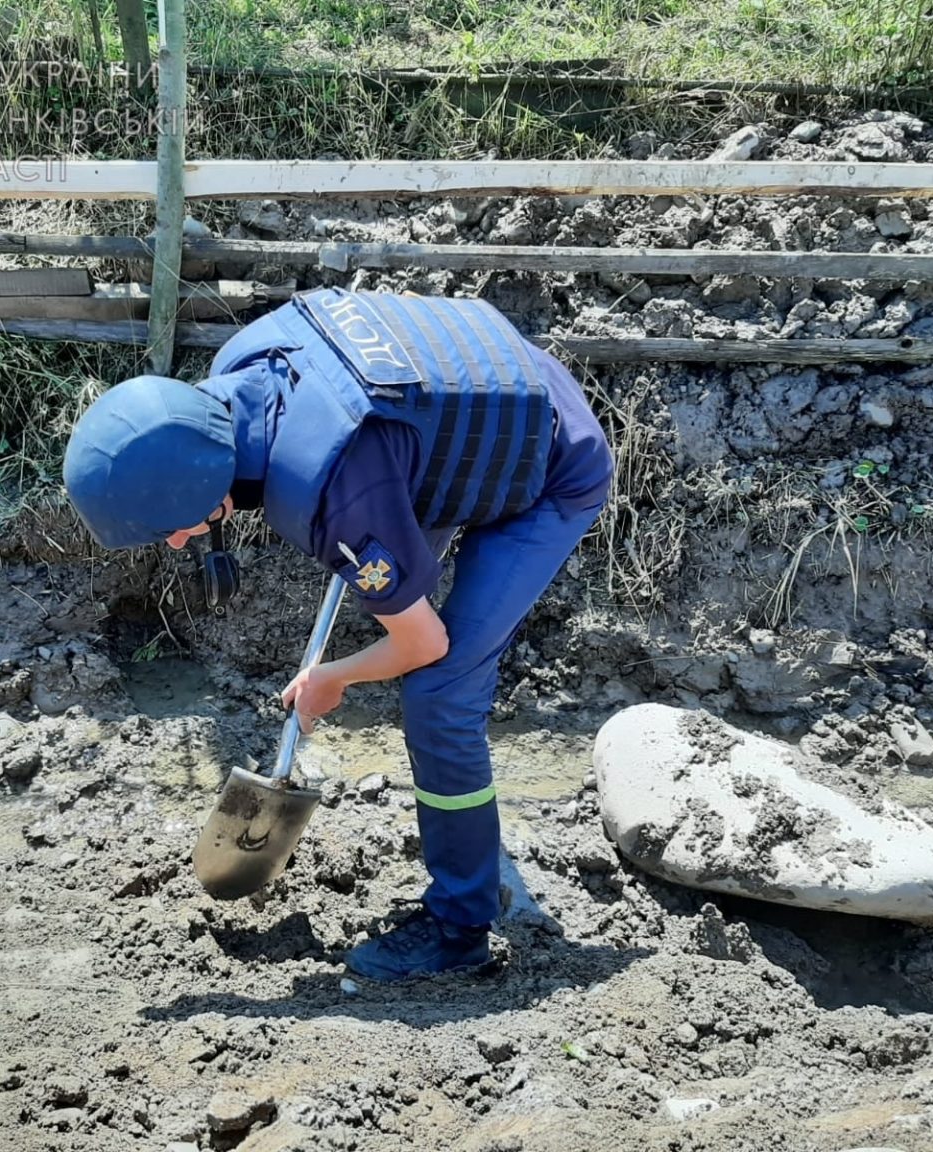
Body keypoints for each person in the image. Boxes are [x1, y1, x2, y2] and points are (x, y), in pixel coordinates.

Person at [63, 288, 613, 982]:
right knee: (386, 583)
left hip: (547, 456)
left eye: (167, 528)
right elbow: (360, 485)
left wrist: (336, 677)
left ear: (199, 492)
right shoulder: (240, 370)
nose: (175, 544)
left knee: (440, 695)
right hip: (461, 403)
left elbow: (424, 643)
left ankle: (459, 928)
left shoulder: (329, 488)